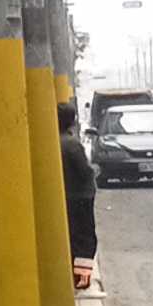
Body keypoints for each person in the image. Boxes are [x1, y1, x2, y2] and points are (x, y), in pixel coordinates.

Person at [60, 99, 98, 288]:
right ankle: (82, 278)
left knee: (72, 236)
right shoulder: (72, 144)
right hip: (80, 197)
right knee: (85, 239)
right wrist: (94, 171)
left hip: (65, 198)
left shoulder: (52, 142)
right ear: (72, 121)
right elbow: (84, 171)